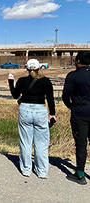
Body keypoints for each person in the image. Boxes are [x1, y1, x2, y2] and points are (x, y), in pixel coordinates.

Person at [9, 59, 56, 178]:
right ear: (39, 68)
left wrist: (11, 82)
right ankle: (42, 171)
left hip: (25, 110)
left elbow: (15, 95)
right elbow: (50, 98)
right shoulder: (45, 81)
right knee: (41, 144)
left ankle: (26, 169)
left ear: (27, 68)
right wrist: (52, 114)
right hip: (40, 110)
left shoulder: (22, 81)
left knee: (25, 142)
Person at [62, 51, 90, 185]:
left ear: (78, 61)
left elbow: (65, 96)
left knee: (81, 143)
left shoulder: (73, 76)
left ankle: (80, 174)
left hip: (80, 112)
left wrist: (72, 106)